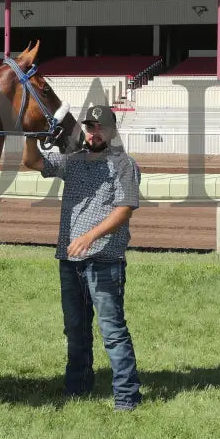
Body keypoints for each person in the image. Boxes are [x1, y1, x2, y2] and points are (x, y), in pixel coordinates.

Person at [22, 104, 143, 411]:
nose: (94, 133)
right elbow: (32, 161)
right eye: (90, 127)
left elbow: (124, 209)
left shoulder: (124, 164)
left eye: (101, 128)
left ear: (112, 131)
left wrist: (90, 237)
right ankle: (77, 388)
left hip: (105, 260)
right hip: (70, 260)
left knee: (112, 331)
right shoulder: (72, 160)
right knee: (75, 329)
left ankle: (127, 396)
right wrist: (31, 135)